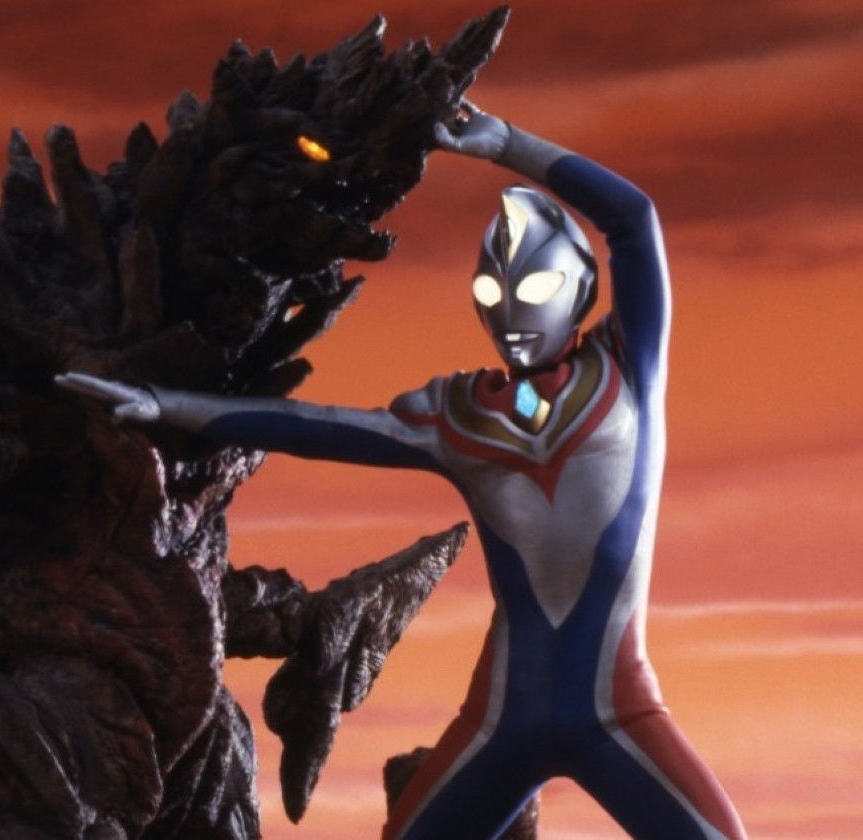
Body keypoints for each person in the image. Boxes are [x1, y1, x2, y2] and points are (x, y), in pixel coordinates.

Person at [56, 103, 747, 840]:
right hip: (504, 716)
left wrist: (506, 144)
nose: (512, 312)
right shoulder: (460, 414)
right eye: (493, 293)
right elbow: (316, 426)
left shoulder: (626, 370)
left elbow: (633, 221)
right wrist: (166, 405)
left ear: (577, 289)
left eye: (534, 290)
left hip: (616, 710)